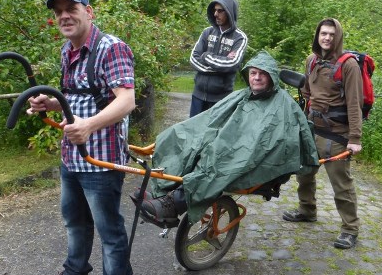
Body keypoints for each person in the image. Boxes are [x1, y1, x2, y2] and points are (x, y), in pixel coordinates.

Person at [26, 0, 136, 275]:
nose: (64, 16)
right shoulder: (67, 51)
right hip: (71, 156)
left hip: (101, 158)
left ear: (89, 11)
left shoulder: (112, 47)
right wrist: (50, 103)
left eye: (71, 8)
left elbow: (126, 101)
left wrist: (88, 126)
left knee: (110, 233)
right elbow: (77, 98)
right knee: (74, 222)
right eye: (58, 11)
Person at [137, 50, 319, 225]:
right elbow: (212, 118)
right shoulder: (243, 95)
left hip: (251, 154)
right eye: (253, 73)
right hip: (230, 141)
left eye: (262, 74)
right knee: (181, 136)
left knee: (216, 160)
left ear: (271, 76)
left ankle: (174, 203)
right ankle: (161, 191)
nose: (256, 77)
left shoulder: (283, 104)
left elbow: (279, 139)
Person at [282, 18, 363, 250]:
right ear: (317, 36)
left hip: (336, 134)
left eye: (331, 34)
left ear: (337, 37)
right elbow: (307, 94)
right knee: (304, 173)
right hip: (311, 128)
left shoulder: (349, 66)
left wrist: (355, 138)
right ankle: (307, 210)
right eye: (323, 33)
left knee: (341, 184)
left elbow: (354, 104)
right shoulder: (311, 61)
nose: (326, 38)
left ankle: (350, 229)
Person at [189, 0, 248, 117]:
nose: (216, 14)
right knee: (193, 134)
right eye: (215, 10)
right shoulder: (207, 32)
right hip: (198, 96)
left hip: (221, 99)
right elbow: (193, 59)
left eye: (220, 11)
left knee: (214, 135)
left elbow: (232, 63)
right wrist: (220, 65)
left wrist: (205, 56)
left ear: (230, 12)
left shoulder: (240, 38)